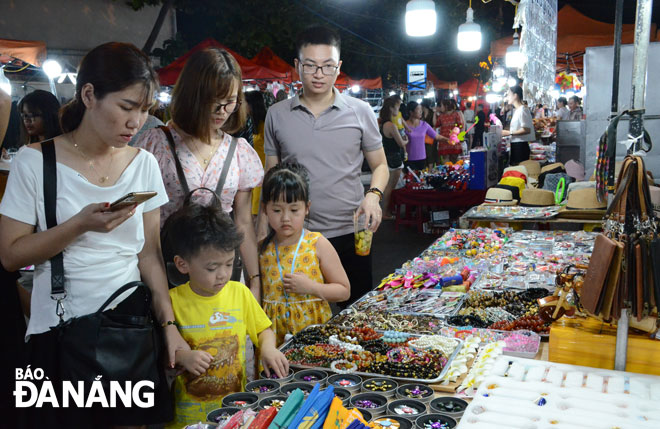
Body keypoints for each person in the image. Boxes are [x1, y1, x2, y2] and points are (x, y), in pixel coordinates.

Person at [0, 42, 187, 427]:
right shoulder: (35, 162)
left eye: (144, 110)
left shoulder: (144, 163)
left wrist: (169, 327)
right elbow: (11, 255)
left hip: (128, 326)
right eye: (126, 107)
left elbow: (149, 256)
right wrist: (79, 224)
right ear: (89, 95)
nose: (136, 122)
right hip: (58, 329)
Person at [264, 26, 388, 308]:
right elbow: (271, 177)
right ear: (297, 66)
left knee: (355, 313)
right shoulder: (277, 115)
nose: (319, 74)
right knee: (299, 316)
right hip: (294, 234)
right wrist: (264, 229)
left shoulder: (360, 111)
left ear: (338, 67)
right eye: (310, 65)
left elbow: (380, 164)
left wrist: (373, 196)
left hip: (351, 231)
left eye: (327, 66)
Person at [134, 47, 264, 299]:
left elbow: (243, 223)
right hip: (169, 272)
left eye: (231, 101)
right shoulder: (155, 144)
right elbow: (141, 225)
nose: (222, 111)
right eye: (214, 101)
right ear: (192, 94)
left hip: (223, 276)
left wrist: (255, 280)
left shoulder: (239, 151)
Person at [166, 202, 288, 427]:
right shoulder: (171, 301)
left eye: (229, 264)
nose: (222, 275)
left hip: (237, 412)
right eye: (212, 268)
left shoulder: (239, 293)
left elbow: (263, 330)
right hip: (189, 418)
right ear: (182, 264)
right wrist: (183, 357)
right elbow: (160, 354)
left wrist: (268, 348)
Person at [259, 163, 350, 345]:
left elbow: (344, 291)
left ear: (307, 207)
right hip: (272, 339)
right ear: (264, 208)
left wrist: (311, 288)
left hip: (313, 334)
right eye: (277, 210)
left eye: (294, 210)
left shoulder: (317, 243)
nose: (285, 218)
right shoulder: (261, 249)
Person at [379, 96, 408, 220]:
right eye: (398, 107)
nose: (399, 109)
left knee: (388, 186)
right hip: (394, 158)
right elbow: (401, 143)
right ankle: (385, 212)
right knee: (391, 187)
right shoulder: (391, 125)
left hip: (387, 156)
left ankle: (387, 211)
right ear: (391, 108)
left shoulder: (383, 123)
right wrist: (406, 140)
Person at [245, 90, 268, 216]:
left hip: (263, 170)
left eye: (245, 103)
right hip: (252, 171)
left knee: (257, 208)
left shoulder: (265, 125)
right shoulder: (251, 123)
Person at [502, 85, 535, 165]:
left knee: (519, 171)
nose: (507, 97)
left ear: (515, 95)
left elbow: (526, 129)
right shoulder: (517, 110)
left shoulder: (523, 110)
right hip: (516, 145)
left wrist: (509, 132)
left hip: (521, 147)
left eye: (509, 95)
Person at [404, 101, 441, 170]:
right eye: (418, 109)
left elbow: (436, 136)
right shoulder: (404, 126)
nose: (421, 112)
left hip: (422, 158)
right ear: (411, 112)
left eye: (421, 109)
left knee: (421, 179)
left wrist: (448, 139)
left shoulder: (424, 125)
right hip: (408, 158)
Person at [420, 99, 438, 166]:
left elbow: (434, 124)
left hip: (430, 136)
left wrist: (434, 113)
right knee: (424, 152)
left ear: (423, 106)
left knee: (430, 152)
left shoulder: (432, 113)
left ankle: (430, 168)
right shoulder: (421, 114)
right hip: (422, 136)